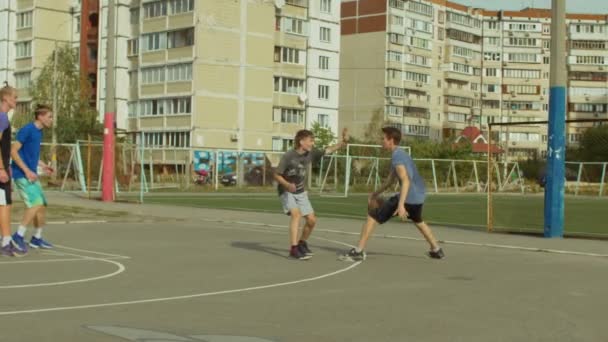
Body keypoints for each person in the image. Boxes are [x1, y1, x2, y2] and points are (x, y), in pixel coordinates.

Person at [340, 126, 444, 261]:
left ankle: (358, 251)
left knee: (372, 216)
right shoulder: (400, 154)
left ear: (391, 140)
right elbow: (390, 180)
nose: (381, 141)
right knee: (418, 221)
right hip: (418, 196)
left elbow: (405, 181)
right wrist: (375, 193)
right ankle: (436, 249)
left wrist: (401, 205)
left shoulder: (397, 155)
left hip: (408, 197)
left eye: (383, 138)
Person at [274, 128, 348, 260]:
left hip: (300, 191)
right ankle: (294, 249)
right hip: (286, 190)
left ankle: (302, 243)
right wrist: (287, 184)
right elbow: (276, 175)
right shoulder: (289, 156)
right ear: (301, 142)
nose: (312, 143)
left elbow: (329, 150)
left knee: (312, 220)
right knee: (296, 215)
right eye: (310, 141)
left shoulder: (311, 154)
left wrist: (343, 142)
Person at [10, 104, 55, 251]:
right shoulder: (27, 130)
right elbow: (13, 151)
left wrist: (42, 165)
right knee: (35, 203)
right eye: (49, 116)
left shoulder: (38, 133)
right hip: (22, 175)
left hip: (30, 174)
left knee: (41, 206)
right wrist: (27, 171)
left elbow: (31, 155)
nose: (51, 120)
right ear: (40, 116)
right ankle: (18, 236)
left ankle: (37, 238)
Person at [0, 85, 24, 256]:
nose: (16, 100)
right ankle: (6, 242)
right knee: (4, 205)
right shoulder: (1, 117)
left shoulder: (4, 118)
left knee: (4, 204)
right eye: (15, 97)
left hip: (3, 167)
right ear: (6, 98)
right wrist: (1, 168)